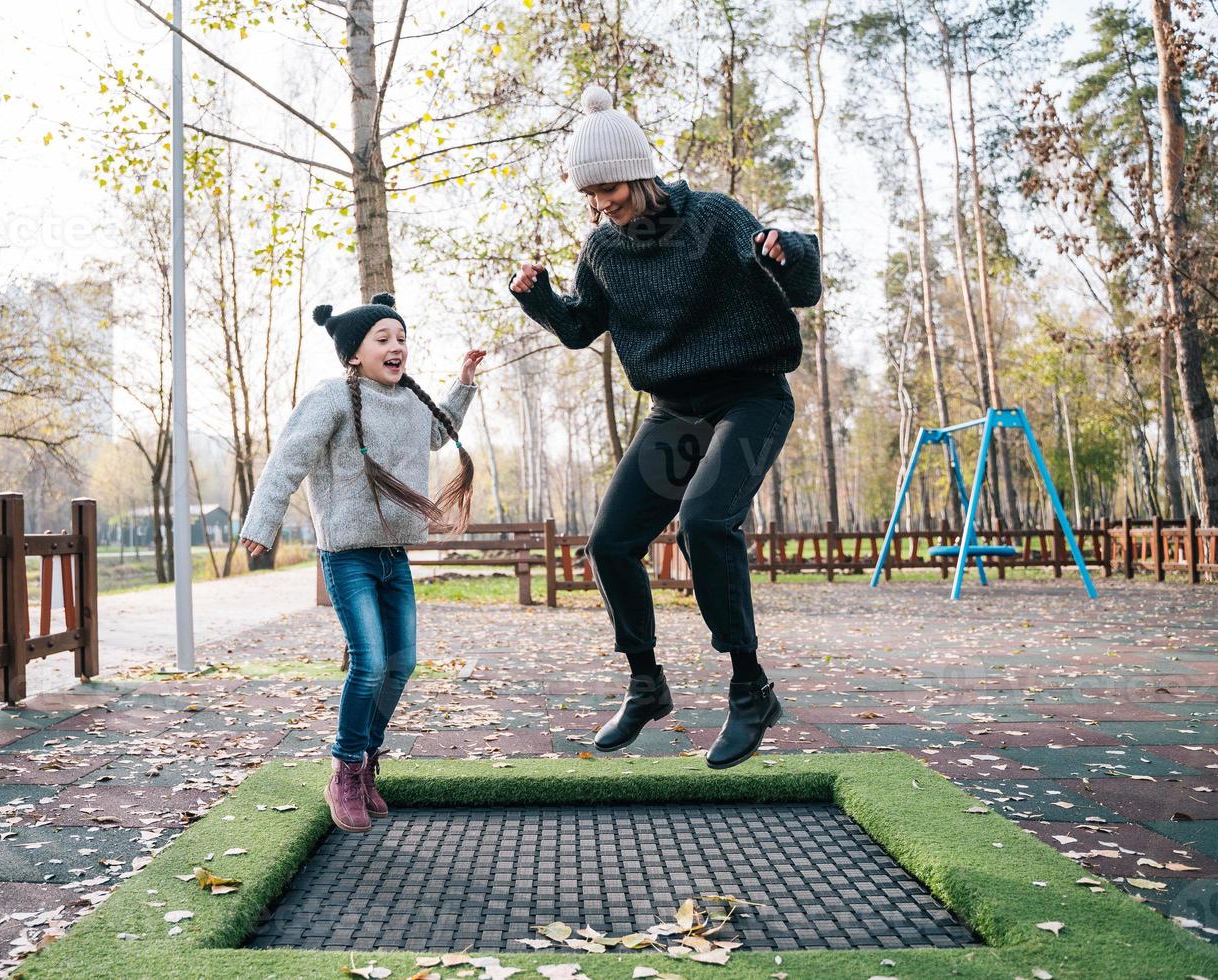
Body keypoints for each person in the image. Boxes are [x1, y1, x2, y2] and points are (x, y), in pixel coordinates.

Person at [508, 84, 821, 769]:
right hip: (676, 414)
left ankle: (751, 689)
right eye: (590, 195)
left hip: (749, 399)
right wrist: (538, 298)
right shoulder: (603, 250)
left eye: (610, 188)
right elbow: (579, 327)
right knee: (610, 543)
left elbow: (802, 287)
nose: (601, 204)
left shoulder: (712, 217)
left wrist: (786, 251)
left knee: (708, 522)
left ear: (642, 170)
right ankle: (646, 684)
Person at [239, 293, 486, 829]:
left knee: (402, 664)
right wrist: (262, 522)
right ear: (354, 353)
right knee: (369, 662)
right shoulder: (330, 398)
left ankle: (367, 759)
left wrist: (463, 383)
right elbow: (289, 459)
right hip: (347, 558)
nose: (396, 347)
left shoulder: (410, 402)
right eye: (384, 339)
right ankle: (345, 769)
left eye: (401, 339)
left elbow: (439, 432)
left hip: (394, 556)